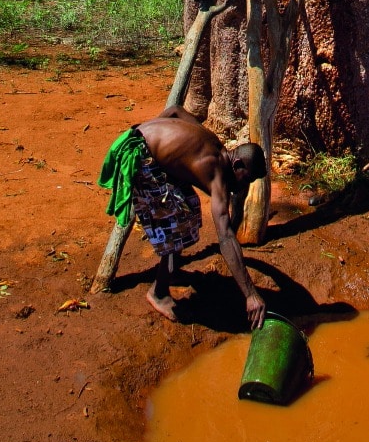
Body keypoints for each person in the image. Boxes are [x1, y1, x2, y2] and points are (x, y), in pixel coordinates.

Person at [98, 107, 268, 325]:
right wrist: (251, 295)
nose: (245, 185)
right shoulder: (217, 177)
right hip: (137, 156)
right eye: (247, 179)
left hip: (139, 138)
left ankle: (169, 268)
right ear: (237, 164)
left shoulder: (212, 140)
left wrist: (159, 138)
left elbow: (175, 111)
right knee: (177, 225)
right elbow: (225, 237)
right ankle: (158, 293)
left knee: (190, 207)